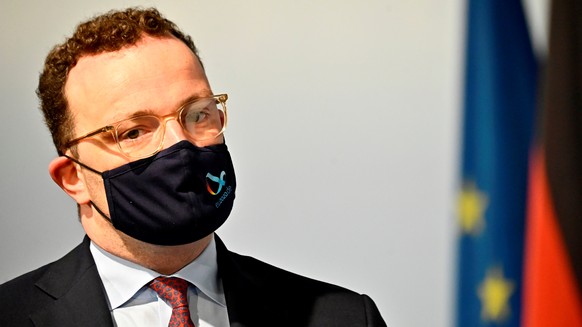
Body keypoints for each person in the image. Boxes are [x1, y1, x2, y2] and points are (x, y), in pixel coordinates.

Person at [0, 7, 386, 327]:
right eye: (134, 131)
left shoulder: (343, 317)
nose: (179, 143)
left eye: (199, 114)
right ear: (73, 178)